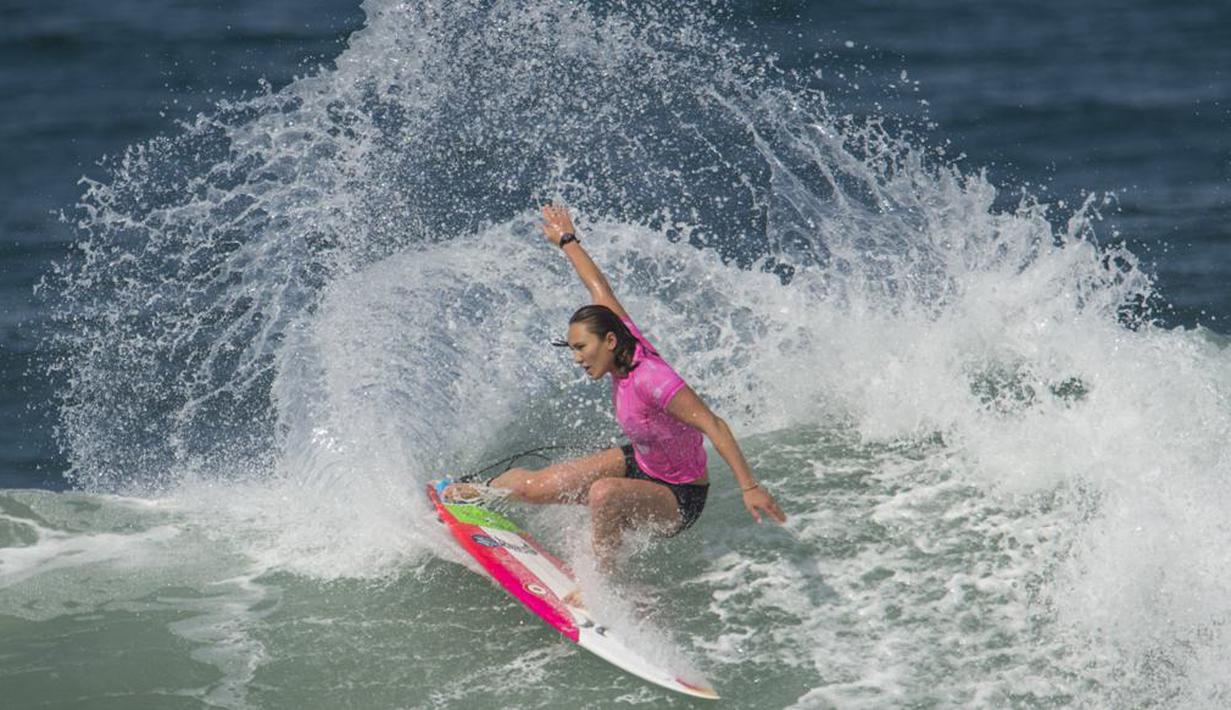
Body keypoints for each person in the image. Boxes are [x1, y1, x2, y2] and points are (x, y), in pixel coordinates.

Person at [449, 204, 786, 570]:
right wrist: (566, 239)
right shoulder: (621, 339)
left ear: (609, 341)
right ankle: (476, 495)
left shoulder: (654, 379)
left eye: (581, 347)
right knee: (530, 487)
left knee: (603, 492)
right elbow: (598, 286)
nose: (577, 357)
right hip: (639, 462)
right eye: (573, 348)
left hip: (679, 497)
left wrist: (749, 487)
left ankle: (603, 579)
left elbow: (714, 425)